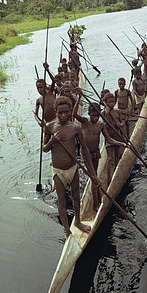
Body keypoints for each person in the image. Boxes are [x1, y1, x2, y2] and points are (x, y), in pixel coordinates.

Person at [43, 96, 97, 238]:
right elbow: (44, 149)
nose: (63, 116)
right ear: (55, 112)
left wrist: (92, 173)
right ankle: (67, 230)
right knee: (62, 201)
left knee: (76, 196)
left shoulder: (75, 128)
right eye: (60, 113)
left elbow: (84, 149)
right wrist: (52, 141)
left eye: (66, 112)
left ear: (70, 112)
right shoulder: (50, 127)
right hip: (58, 171)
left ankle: (78, 222)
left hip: (73, 168)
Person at [73, 94, 126, 212]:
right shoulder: (85, 122)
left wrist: (121, 144)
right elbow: (74, 114)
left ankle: (97, 199)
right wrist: (79, 98)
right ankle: (95, 204)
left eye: (97, 116)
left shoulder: (101, 125)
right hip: (86, 153)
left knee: (95, 175)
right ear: (89, 114)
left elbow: (109, 139)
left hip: (96, 153)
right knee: (94, 178)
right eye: (93, 116)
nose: (95, 118)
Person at [101, 92, 125, 184]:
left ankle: (116, 173)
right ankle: (108, 179)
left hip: (117, 135)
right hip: (109, 137)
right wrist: (107, 111)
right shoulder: (103, 113)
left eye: (113, 102)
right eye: (109, 102)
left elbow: (122, 122)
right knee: (110, 158)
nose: (112, 104)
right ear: (106, 103)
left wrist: (120, 124)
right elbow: (104, 122)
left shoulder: (117, 111)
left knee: (117, 156)